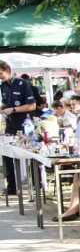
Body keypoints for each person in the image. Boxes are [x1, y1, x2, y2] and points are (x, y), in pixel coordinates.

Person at [0, 59, 36, 196]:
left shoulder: (22, 84)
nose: (0, 76)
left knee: (31, 154)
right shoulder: (3, 86)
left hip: (25, 125)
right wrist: (3, 108)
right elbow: (6, 103)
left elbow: (31, 105)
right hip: (10, 125)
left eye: (1, 73)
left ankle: (36, 184)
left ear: (8, 70)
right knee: (7, 154)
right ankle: (12, 186)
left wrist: (13, 110)